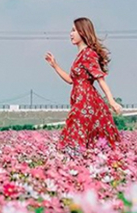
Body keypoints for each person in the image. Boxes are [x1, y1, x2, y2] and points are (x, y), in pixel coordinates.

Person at [45, 17, 122, 151]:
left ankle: (76, 160)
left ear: (83, 32)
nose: (71, 34)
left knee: (76, 132)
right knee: (79, 133)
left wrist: (112, 101)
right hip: (79, 98)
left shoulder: (88, 54)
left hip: (86, 100)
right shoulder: (81, 55)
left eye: (74, 30)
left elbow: (100, 79)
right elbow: (71, 80)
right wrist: (55, 65)